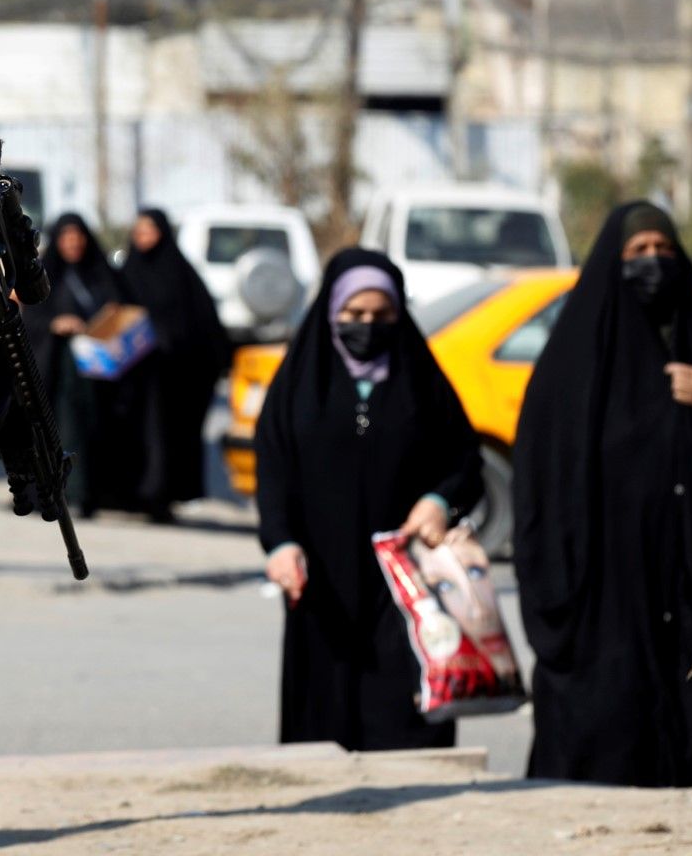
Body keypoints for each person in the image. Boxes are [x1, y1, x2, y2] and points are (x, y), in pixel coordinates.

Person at [511, 201, 692, 787]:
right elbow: (539, 476)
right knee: (606, 728)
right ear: (613, 262)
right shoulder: (575, 361)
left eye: (664, 250)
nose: (654, 262)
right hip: (606, 588)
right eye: (638, 252)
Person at [255, 249, 484, 751]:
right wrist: (280, 544)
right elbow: (272, 473)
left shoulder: (420, 383)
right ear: (330, 311)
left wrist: (438, 503)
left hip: (407, 587)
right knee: (322, 729)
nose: (368, 326)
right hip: (319, 586)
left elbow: (466, 464)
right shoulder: (299, 386)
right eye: (354, 315)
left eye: (383, 316)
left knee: (406, 730)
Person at [117, 208, 231, 520]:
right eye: (138, 231)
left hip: (175, 374)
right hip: (134, 373)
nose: (143, 237)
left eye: (149, 230)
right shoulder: (127, 273)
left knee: (167, 436)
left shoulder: (180, 273)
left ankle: (160, 496)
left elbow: (202, 324)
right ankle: (133, 495)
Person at [25, 213, 127, 516]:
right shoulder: (46, 274)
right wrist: (55, 324)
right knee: (60, 429)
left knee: (91, 428)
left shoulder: (98, 273)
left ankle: (87, 494)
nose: (74, 242)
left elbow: (117, 307)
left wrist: (106, 318)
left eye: (79, 235)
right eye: (68, 236)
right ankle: (58, 493)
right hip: (56, 369)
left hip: (96, 371)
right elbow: (31, 317)